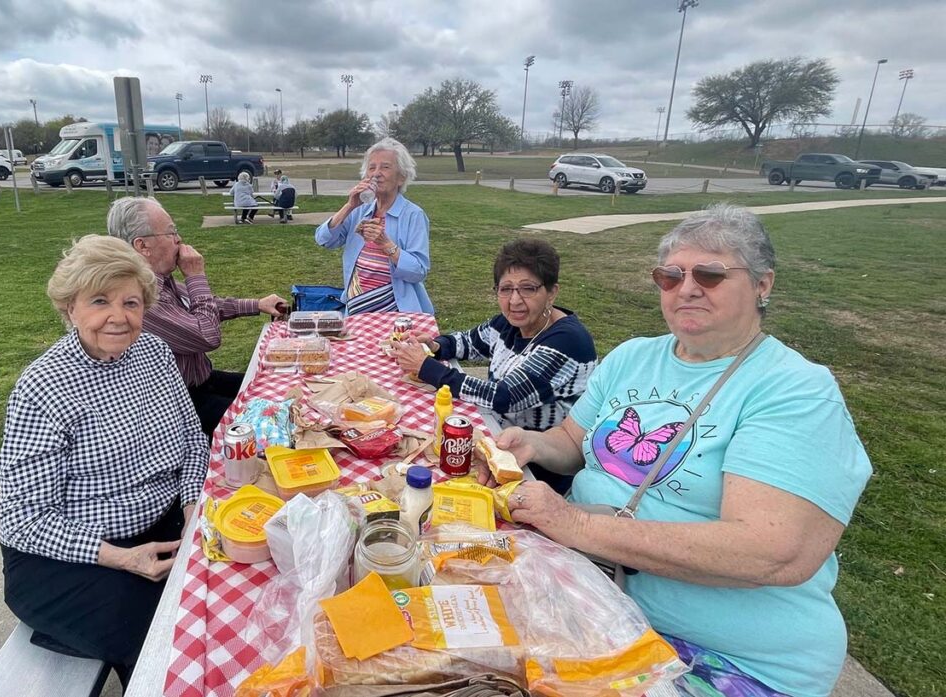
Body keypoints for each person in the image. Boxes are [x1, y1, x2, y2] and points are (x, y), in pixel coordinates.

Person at [483, 204, 871, 697]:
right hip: (595, 598)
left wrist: (575, 524)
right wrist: (531, 445)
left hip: (722, 656)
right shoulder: (632, 357)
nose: (686, 288)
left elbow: (772, 553)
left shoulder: (794, 390)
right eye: (670, 275)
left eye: (710, 274)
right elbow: (572, 444)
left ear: (762, 285)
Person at [0, 235, 209, 688]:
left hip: (161, 526)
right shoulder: (43, 387)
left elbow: (193, 440)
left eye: (131, 302)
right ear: (70, 307)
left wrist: (193, 507)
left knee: (214, 598)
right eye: (100, 301)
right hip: (71, 557)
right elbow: (22, 520)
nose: (119, 317)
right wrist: (123, 558)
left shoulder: (153, 354)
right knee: (168, 638)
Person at [391, 239, 596, 493]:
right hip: (496, 439)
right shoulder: (512, 322)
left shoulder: (567, 341)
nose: (515, 300)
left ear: (552, 292)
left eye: (528, 289)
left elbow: (505, 396)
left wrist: (427, 368)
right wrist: (436, 346)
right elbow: (471, 341)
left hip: (536, 470)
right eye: (505, 289)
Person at [107, 197, 288, 435]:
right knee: (271, 421)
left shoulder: (159, 281)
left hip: (202, 381)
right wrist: (195, 276)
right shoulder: (138, 296)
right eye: (171, 233)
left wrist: (257, 304)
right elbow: (207, 334)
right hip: (176, 406)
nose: (178, 239)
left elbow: (205, 306)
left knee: (272, 389)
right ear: (142, 246)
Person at [315, 137, 433, 315]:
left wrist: (386, 244)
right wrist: (349, 206)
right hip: (356, 309)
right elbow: (324, 240)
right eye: (372, 168)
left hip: (395, 311)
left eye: (385, 167)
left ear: (401, 178)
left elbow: (418, 272)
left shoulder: (413, 215)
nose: (376, 174)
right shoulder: (358, 210)